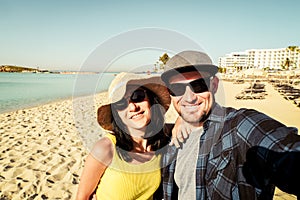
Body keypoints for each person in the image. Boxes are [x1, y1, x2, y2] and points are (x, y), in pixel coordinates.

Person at [160, 50, 300, 199]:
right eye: (178, 89)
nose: (189, 98)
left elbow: (287, 154)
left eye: (199, 85)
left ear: (214, 85)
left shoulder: (239, 125)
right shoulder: (173, 139)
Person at [76, 72, 172, 200]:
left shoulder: (163, 141)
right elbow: (82, 197)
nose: (132, 107)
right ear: (117, 114)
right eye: (121, 103)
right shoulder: (106, 148)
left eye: (137, 96)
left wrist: (182, 123)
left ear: (151, 100)